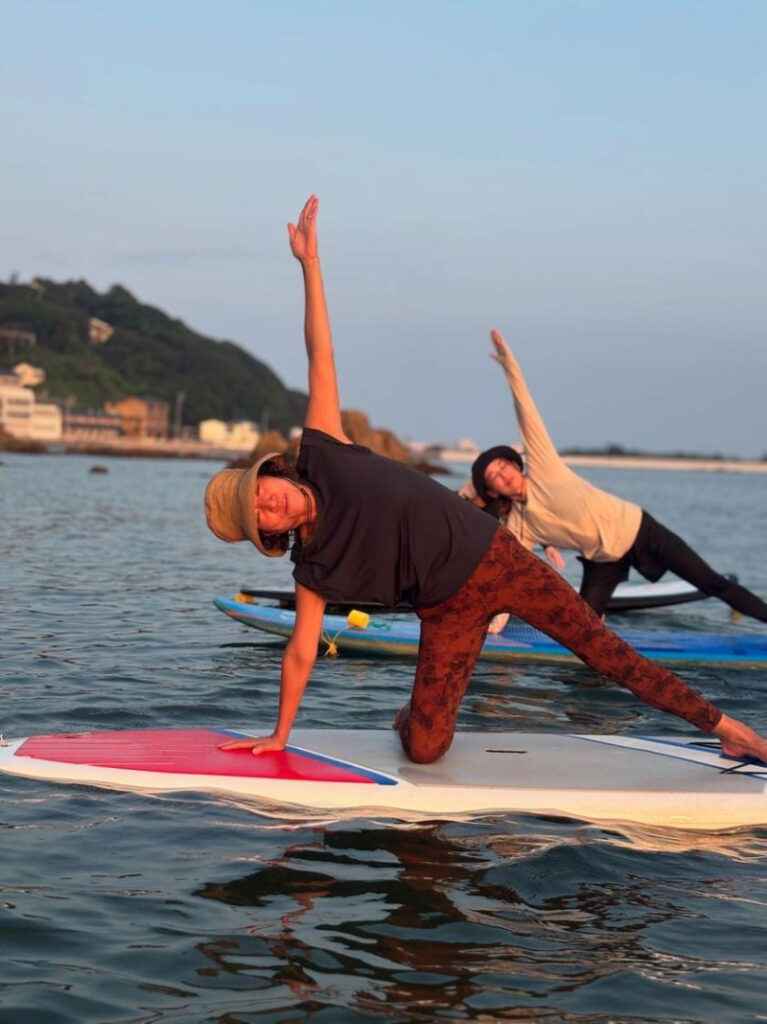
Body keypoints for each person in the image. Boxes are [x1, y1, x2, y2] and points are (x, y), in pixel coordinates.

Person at [203, 196, 767, 767]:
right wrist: (279, 734)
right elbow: (301, 652)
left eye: (260, 491)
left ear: (273, 471)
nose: (268, 503)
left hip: (500, 559)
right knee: (424, 750)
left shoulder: (323, 450)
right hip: (446, 610)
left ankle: (727, 728)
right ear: (269, 534)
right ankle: (413, 714)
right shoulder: (312, 568)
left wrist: (310, 265)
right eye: (260, 516)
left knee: (602, 651)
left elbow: (318, 352)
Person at [467, 330, 767, 628]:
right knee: (581, 628)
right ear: (492, 490)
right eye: (493, 476)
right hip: (602, 560)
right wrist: (493, 627)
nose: (503, 475)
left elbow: (527, 412)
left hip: (638, 530)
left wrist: (510, 367)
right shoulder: (520, 524)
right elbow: (511, 571)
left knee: (712, 583)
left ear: (514, 465)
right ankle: (598, 662)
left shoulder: (545, 469)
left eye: (503, 466)